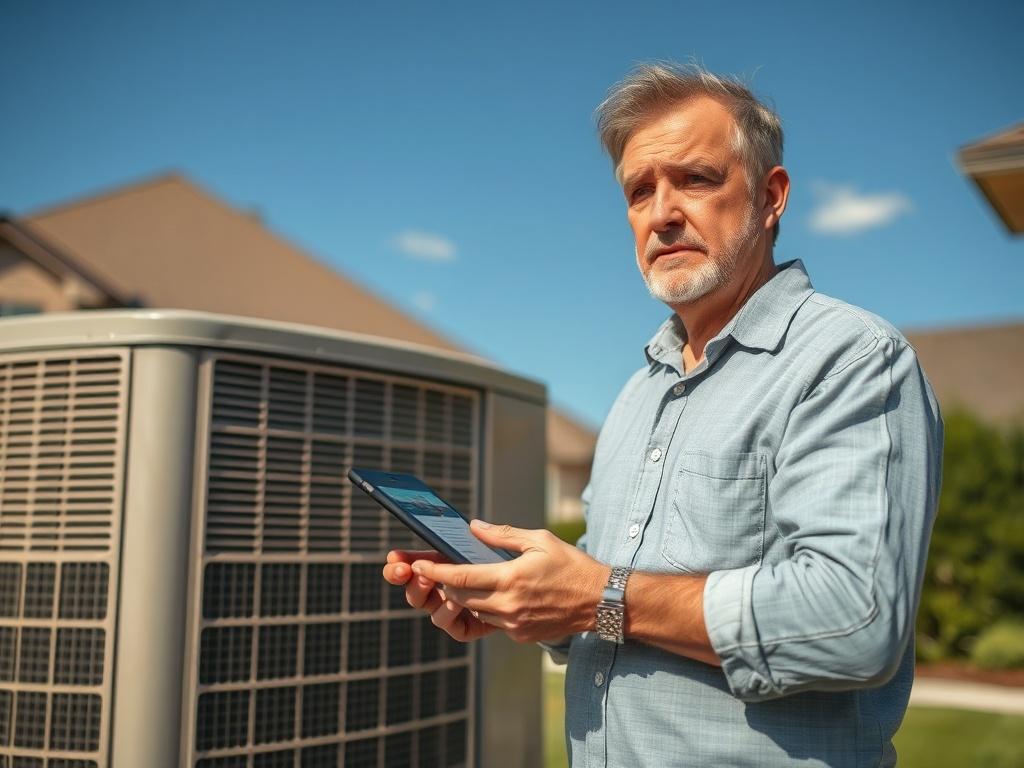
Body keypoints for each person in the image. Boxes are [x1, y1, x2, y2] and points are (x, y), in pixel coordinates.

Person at [383, 62, 943, 767]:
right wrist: (519, 598)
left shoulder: (852, 358)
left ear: (771, 197)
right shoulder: (635, 395)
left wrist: (593, 596)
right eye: (639, 191)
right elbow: (608, 607)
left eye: (697, 179)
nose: (662, 212)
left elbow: (853, 621)